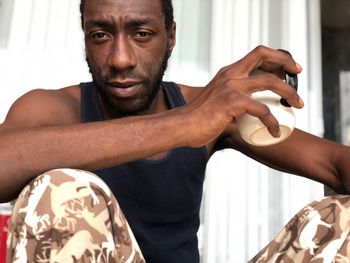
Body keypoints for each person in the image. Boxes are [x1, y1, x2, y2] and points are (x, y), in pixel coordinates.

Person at [1, 0, 350, 262]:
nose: (121, 58)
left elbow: (335, 163)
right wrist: (185, 123)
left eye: (142, 34)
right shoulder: (50, 109)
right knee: (59, 189)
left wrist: (199, 115)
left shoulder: (211, 108)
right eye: (100, 35)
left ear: (170, 37)